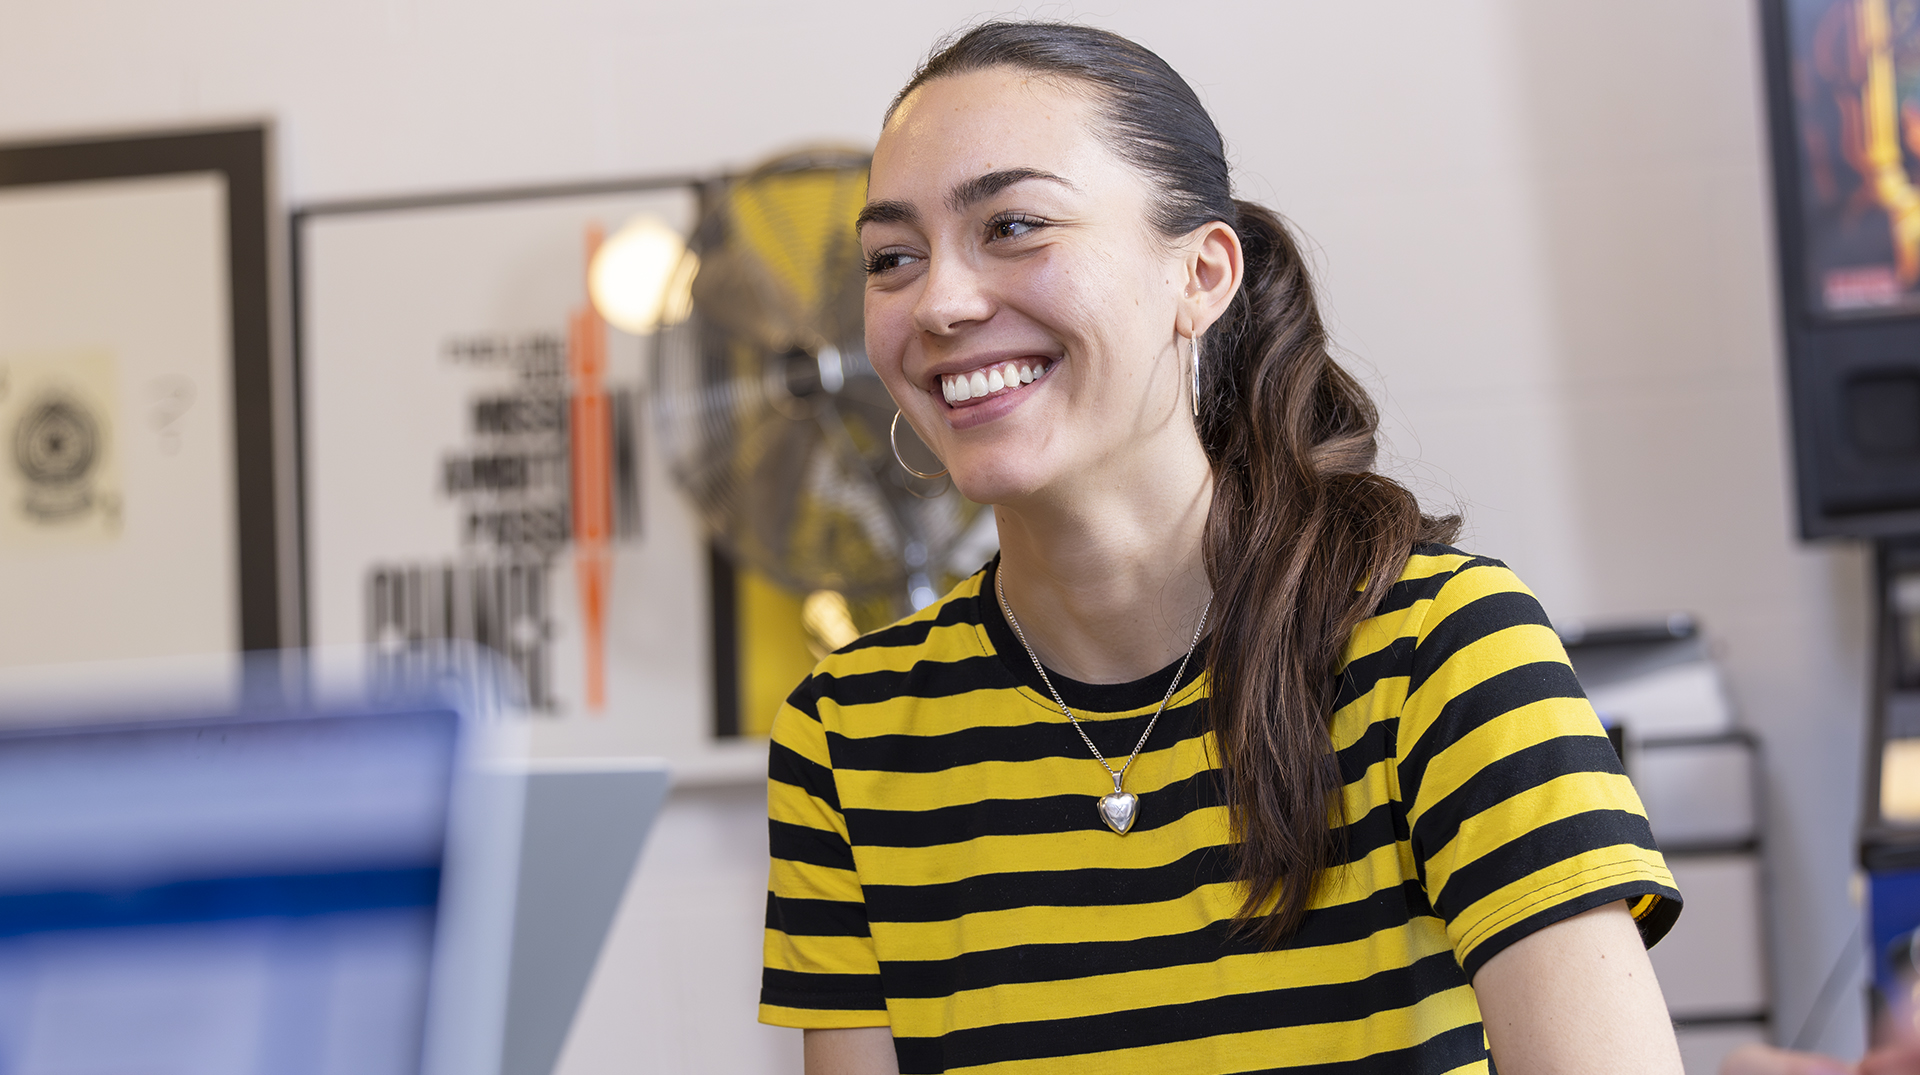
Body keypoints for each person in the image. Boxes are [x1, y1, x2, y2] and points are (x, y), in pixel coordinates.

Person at [760, 21, 1685, 1074]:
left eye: (1013, 226)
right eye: (892, 258)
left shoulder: (1440, 652)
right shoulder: (848, 737)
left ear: (1201, 274)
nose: (939, 302)